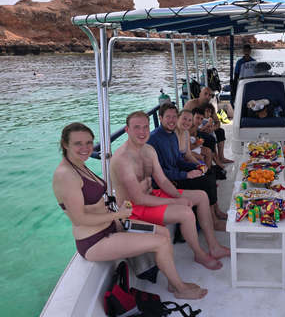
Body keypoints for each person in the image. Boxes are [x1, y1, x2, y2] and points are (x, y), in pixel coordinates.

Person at [52, 122, 207, 300]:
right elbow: (79, 219)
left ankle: (172, 283)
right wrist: (118, 214)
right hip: (94, 240)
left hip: (111, 225)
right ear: (65, 144)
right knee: (160, 242)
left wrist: (116, 216)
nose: (85, 148)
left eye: (89, 142)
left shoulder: (79, 165)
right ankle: (180, 288)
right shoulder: (66, 175)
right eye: (77, 143)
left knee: (163, 232)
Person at [110, 111, 230, 270]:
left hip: (151, 195)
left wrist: (178, 196)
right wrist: (177, 201)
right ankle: (200, 254)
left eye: (145, 127)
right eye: (136, 127)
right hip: (133, 209)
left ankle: (214, 247)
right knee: (186, 213)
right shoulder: (122, 158)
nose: (142, 131)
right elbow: (138, 199)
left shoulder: (148, 150)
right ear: (127, 130)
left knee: (201, 196)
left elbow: (163, 181)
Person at [147, 103, 228, 225]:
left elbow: (178, 160)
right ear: (160, 117)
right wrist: (186, 175)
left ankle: (216, 211)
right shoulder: (153, 139)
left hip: (176, 173)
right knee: (205, 182)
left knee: (210, 173)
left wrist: (196, 166)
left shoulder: (172, 135)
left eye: (174, 117)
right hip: (168, 181)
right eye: (168, 116)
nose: (172, 120)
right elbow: (160, 173)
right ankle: (214, 220)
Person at [184, 87, 233, 165]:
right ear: (200, 94)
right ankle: (215, 162)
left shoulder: (209, 107)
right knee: (210, 139)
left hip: (205, 128)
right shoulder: (191, 104)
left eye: (209, 95)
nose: (207, 97)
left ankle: (221, 157)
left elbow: (218, 123)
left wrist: (212, 128)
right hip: (194, 130)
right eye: (205, 94)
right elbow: (183, 120)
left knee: (220, 131)